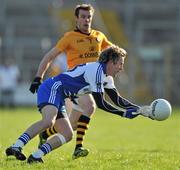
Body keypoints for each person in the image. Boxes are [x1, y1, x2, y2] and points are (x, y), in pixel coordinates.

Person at [5, 46, 151, 164]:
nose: (121, 68)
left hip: (61, 95)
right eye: (120, 63)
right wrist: (124, 114)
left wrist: (139, 109)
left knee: (68, 134)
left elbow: (117, 99)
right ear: (111, 62)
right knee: (49, 121)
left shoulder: (106, 77)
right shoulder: (97, 71)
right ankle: (16, 146)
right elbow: (100, 103)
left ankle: (36, 156)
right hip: (52, 87)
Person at [29, 3, 114, 159]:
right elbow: (49, 57)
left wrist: (120, 57)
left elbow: (113, 51)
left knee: (73, 124)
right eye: (83, 17)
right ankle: (78, 148)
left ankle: (46, 134)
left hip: (89, 85)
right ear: (76, 18)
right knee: (90, 106)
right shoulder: (69, 37)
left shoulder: (99, 36)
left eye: (89, 17)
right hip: (74, 83)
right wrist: (38, 77)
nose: (86, 20)